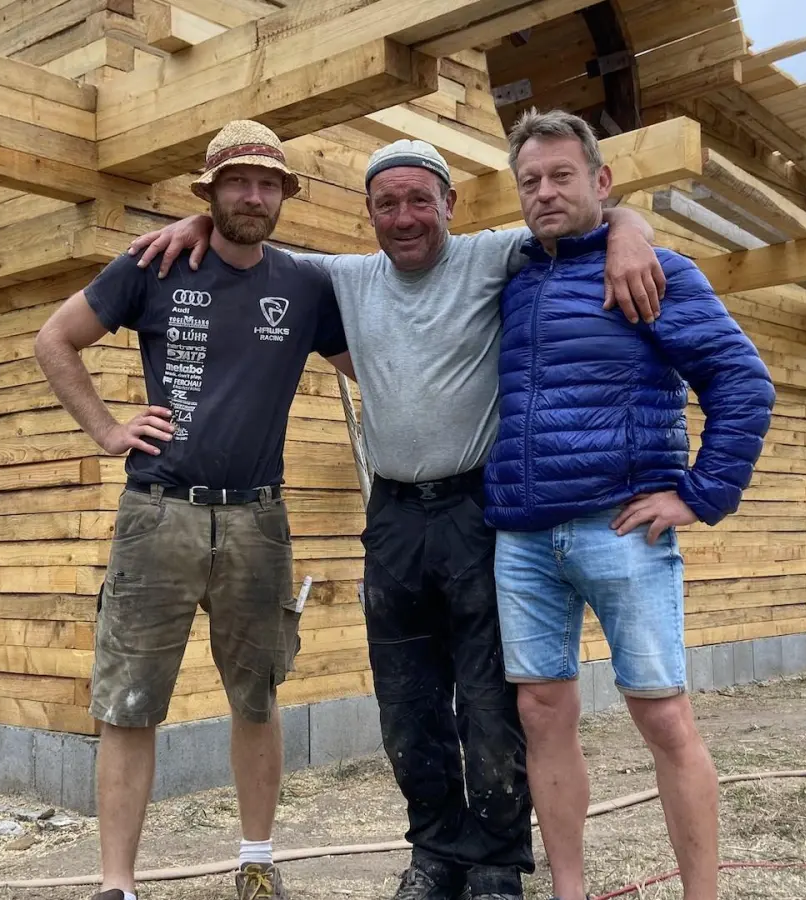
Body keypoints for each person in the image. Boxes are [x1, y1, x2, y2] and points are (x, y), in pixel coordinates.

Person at [127, 139, 667, 900]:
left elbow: (585, 217)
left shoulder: (491, 255)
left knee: (488, 694)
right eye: (387, 204)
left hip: (477, 509)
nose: (405, 216)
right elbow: (249, 241)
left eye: (420, 200)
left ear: (450, 203)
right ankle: (436, 852)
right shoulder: (343, 278)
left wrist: (632, 230)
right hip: (392, 517)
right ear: (369, 213)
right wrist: (199, 222)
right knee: (408, 700)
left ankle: (496, 862)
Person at [33, 119, 354, 900]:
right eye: (237, 182)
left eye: (268, 183)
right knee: (129, 703)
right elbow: (54, 340)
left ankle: (257, 863)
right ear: (209, 192)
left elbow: (371, 366)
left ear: (284, 196)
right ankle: (117, 885)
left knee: (257, 696)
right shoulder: (154, 265)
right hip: (158, 512)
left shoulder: (306, 286)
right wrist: (107, 430)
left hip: (258, 519)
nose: (254, 196)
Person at [482, 109, 776, 900]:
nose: (545, 193)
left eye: (562, 176)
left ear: (601, 181)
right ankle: (569, 891)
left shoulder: (655, 271)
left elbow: (742, 383)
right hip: (523, 537)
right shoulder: (512, 279)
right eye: (530, 181)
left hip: (621, 528)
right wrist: (627, 226)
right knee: (541, 711)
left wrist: (700, 495)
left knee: (662, 716)